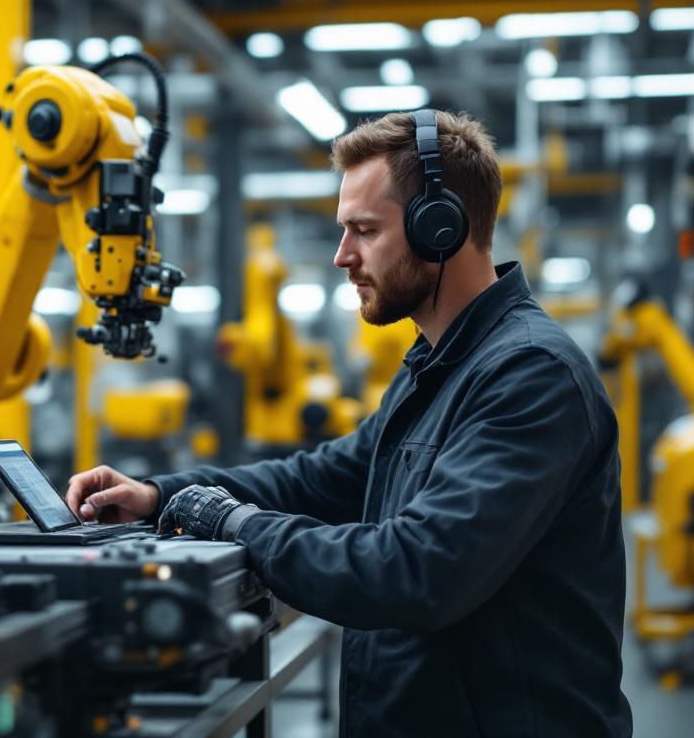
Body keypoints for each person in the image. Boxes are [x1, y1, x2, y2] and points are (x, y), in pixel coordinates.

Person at [65, 109, 633, 737]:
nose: (342, 256)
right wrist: (160, 496)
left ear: (441, 228)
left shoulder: (530, 375)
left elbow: (417, 572)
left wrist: (234, 523)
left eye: (364, 230)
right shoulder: (436, 365)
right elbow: (322, 477)